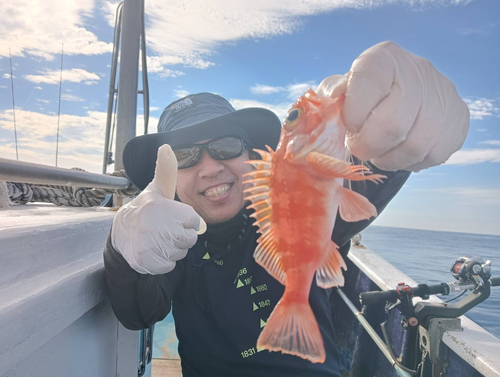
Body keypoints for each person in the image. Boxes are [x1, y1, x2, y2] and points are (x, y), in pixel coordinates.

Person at [103, 42, 469, 377]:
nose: (210, 166)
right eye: (184, 155)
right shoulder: (170, 238)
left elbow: (373, 169)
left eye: (226, 146)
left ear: (251, 156)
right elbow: (139, 314)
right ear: (170, 174)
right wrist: (125, 254)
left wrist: (400, 124)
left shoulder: (293, 192)